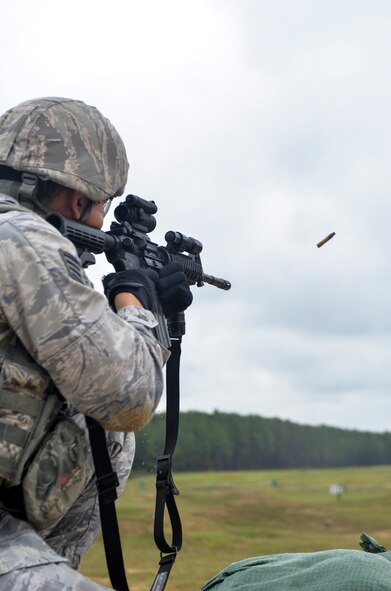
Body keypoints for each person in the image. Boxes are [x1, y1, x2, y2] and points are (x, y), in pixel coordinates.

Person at [0, 96, 192, 590]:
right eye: (102, 204)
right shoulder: (23, 237)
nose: (102, 223)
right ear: (76, 198)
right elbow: (127, 396)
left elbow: (82, 358)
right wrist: (136, 294)